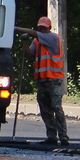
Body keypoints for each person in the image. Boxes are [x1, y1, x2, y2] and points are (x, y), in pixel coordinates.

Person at [16, 16, 69, 147]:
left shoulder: (53, 38)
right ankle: (51, 137)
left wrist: (17, 29)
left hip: (54, 80)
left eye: (44, 28)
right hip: (42, 80)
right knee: (45, 109)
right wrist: (24, 43)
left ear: (49, 28)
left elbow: (33, 33)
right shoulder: (37, 41)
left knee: (57, 107)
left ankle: (63, 137)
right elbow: (28, 54)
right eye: (40, 28)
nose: (41, 30)